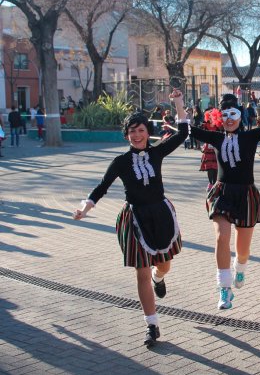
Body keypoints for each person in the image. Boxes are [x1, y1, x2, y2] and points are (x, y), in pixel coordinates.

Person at [72, 89, 189, 347]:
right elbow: (101, 187)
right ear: (126, 135)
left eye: (141, 130)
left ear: (148, 132)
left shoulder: (157, 153)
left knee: (164, 265)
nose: (136, 135)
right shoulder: (120, 161)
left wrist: (178, 103)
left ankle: (161, 278)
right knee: (141, 273)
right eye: (131, 132)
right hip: (135, 219)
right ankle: (152, 324)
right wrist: (85, 209)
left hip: (160, 213)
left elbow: (183, 133)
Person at [187, 92, 260, 310]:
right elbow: (187, 130)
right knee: (221, 237)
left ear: (239, 116)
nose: (229, 119)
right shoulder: (216, 137)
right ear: (219, 118)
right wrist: (180, 105)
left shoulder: (249, 137)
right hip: (222, 193)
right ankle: (224, 289)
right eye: (225, 115)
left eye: (233, 114)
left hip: (246, 195)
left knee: (243, 249)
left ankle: (241, 267)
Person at [199, 108, 222, 191]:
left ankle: (215, 183)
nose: (211, 118)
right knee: (209, 168)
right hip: (208, 148)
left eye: (212, 116)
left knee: (215, 167)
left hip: (216, 147)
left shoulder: (218, 125)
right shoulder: (205, 125)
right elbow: (200, 134)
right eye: (209, 116)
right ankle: (210, 183)